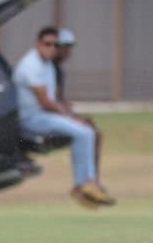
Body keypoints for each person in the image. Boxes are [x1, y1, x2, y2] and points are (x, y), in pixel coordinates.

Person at [13, 26, 114, 208]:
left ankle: (88, 184)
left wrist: (73, 116)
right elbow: (46, 102)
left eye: (56, 45)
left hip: (44, 116)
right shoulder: (31, 65)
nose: (52, 48)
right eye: (47, 44)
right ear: (38, 43)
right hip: (31, 119)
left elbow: (57, 99)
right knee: (84, 133)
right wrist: (72, 118)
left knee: (87, 131)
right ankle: (84, 185)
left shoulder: (48, 64)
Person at [50, 28, 105, 180]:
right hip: (48, 116)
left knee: (92, 128)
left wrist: (68, 108)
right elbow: (50, 100)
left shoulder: (57, 70)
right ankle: (88, 180)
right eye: (64, 46)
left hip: (57, 113)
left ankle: (91, 178)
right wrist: (70, 114)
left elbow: (59, 96)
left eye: (70, 47)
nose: (68, 51)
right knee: (90, 132)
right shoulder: (47, 68)